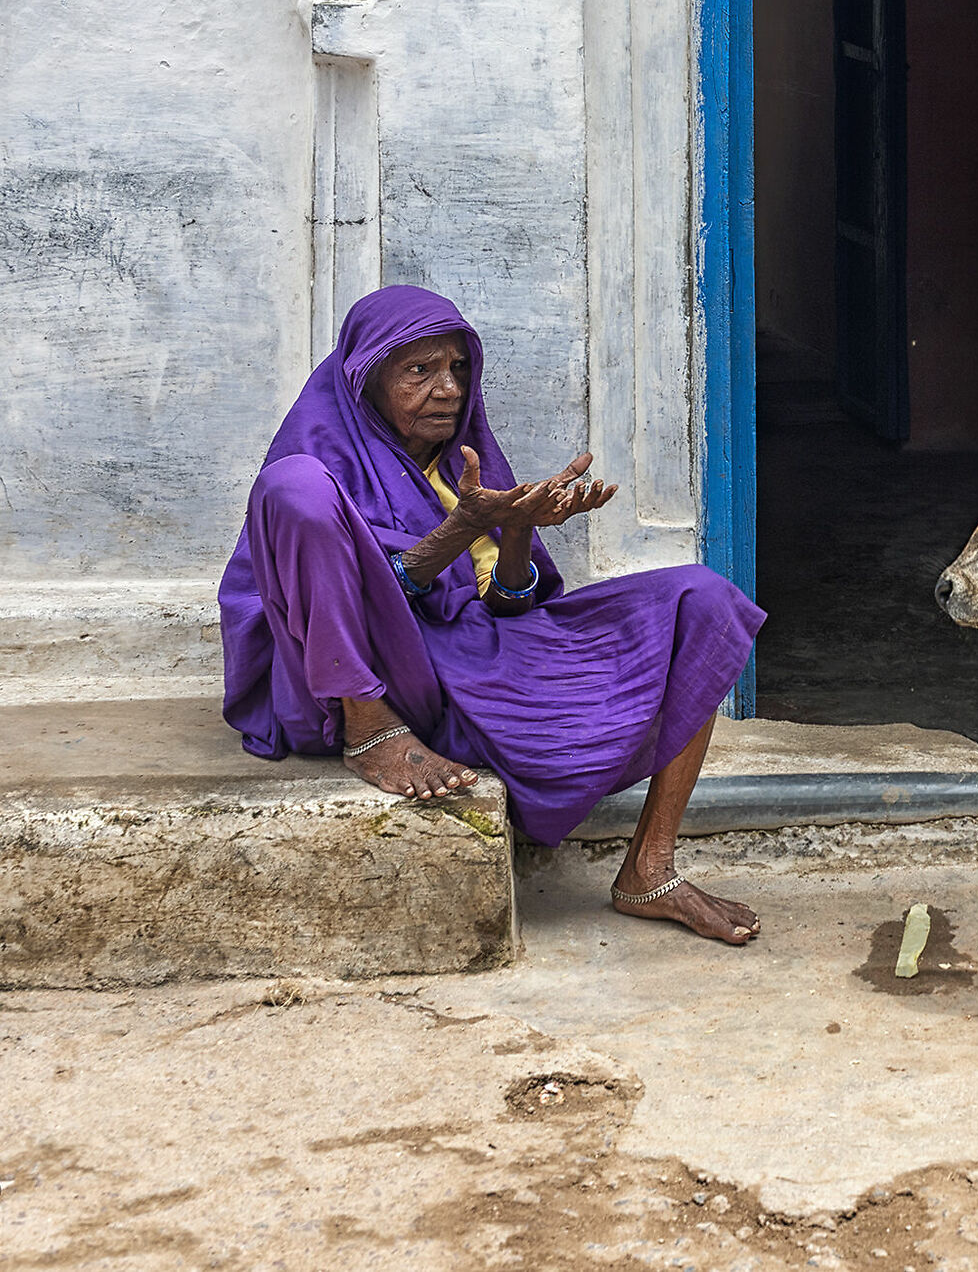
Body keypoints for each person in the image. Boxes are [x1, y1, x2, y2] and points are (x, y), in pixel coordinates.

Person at [219, 285, 765, 944]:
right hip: (384, 673)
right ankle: (371, 732)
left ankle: (651, 867)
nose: (447, 389)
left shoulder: (464, 461)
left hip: (479, 654)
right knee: (290, 487)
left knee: (698, 602)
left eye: (456, 368)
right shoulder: (320, 466)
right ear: (366, 377)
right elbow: (373, 595)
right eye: (419, 371)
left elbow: (508, 605)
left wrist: (514, 530)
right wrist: (457, 530)